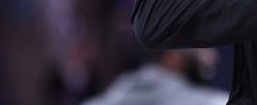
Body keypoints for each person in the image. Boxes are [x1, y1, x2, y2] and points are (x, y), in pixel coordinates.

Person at [81, 48, 228, 105]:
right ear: (173, 54)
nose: (213, 56)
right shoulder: (214, 102)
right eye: (203, 45)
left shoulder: (119, 89)